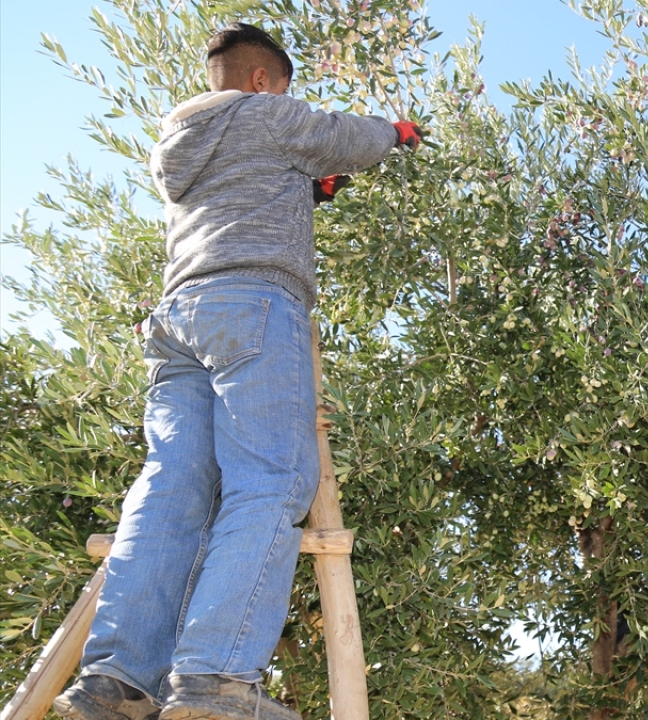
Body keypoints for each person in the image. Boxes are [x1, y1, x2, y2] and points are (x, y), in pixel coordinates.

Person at [54, 23, 422, 720]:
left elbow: (242, 197)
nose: (289, 102)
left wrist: (301, 191)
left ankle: (115, 682)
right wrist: (396, 131)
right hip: (253, 304)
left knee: (170, 488)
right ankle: (214, 680)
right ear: (261, 81)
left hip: (179, 317)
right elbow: (350, 137)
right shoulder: (266, 112)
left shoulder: (179, 144)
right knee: (271, 480)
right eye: (285, 89)